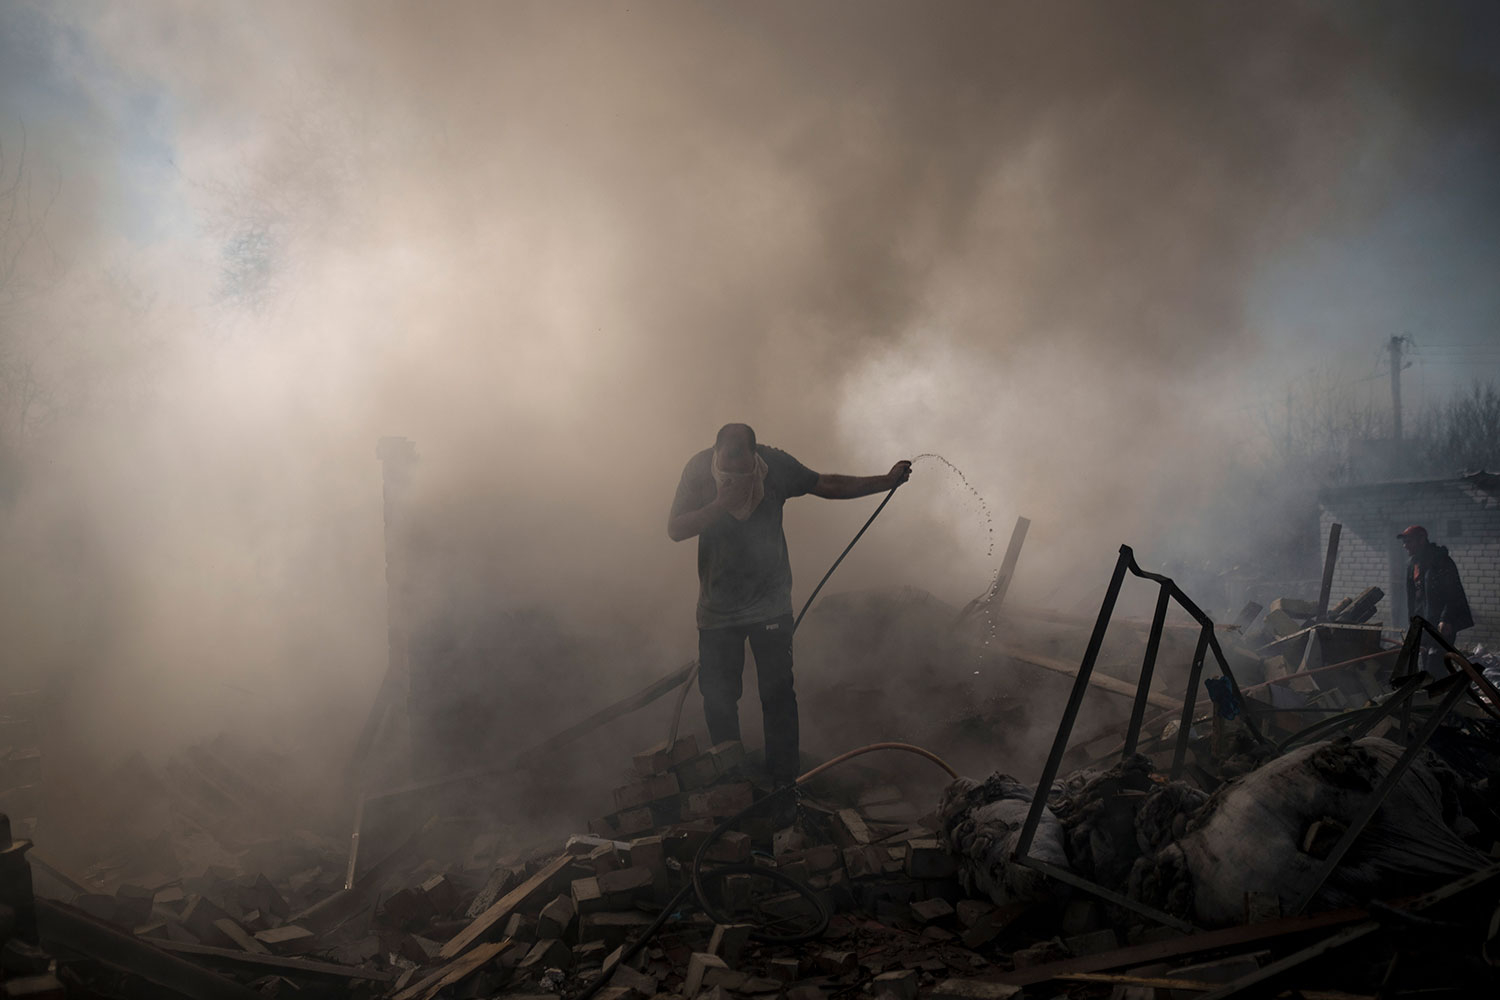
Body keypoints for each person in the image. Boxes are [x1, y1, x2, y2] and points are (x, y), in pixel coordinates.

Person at [668, 423, 911, 785]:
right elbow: (676, 528)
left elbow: (825, 484)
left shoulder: (774, 466)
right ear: (715, 453)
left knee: (778, 693)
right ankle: (731, 782)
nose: (734, 476)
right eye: (727, 470)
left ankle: (783, 784)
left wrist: (884, 481)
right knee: (719, 697)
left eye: (742, 470)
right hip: (717, 610)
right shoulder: (699, 470)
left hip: (770, 604)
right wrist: (720, 505)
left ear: (755, 455)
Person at [1398, 524, 1474, 676]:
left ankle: (1441, 696)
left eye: (1409, 541)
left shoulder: (1441, 561)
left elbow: (1453, 593)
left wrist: (1446, 618)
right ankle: (1431, 695)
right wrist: (1413, 623)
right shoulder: (1412, 565)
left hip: (1441, 622)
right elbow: (1413, 599)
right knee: (1424, 663)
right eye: (1404, 542)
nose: (1405, 546)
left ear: (1421, 540)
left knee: (1436, 663)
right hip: (1423, 623)